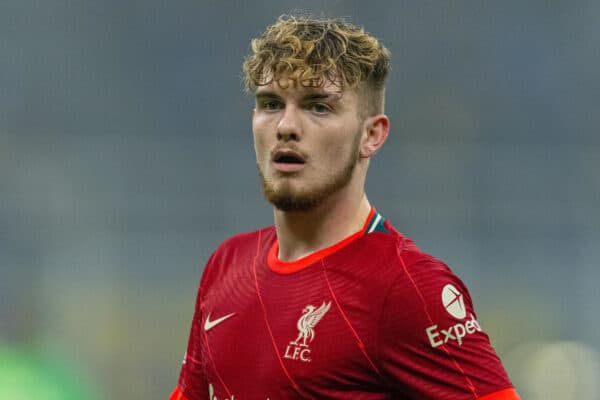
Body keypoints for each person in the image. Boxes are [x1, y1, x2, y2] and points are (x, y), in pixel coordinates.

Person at [170, 15, 520, 400]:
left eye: (318, 107)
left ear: (372, 135)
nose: (286, 126)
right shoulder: (226, 266)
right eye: (270, 104)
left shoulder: (407, 287)